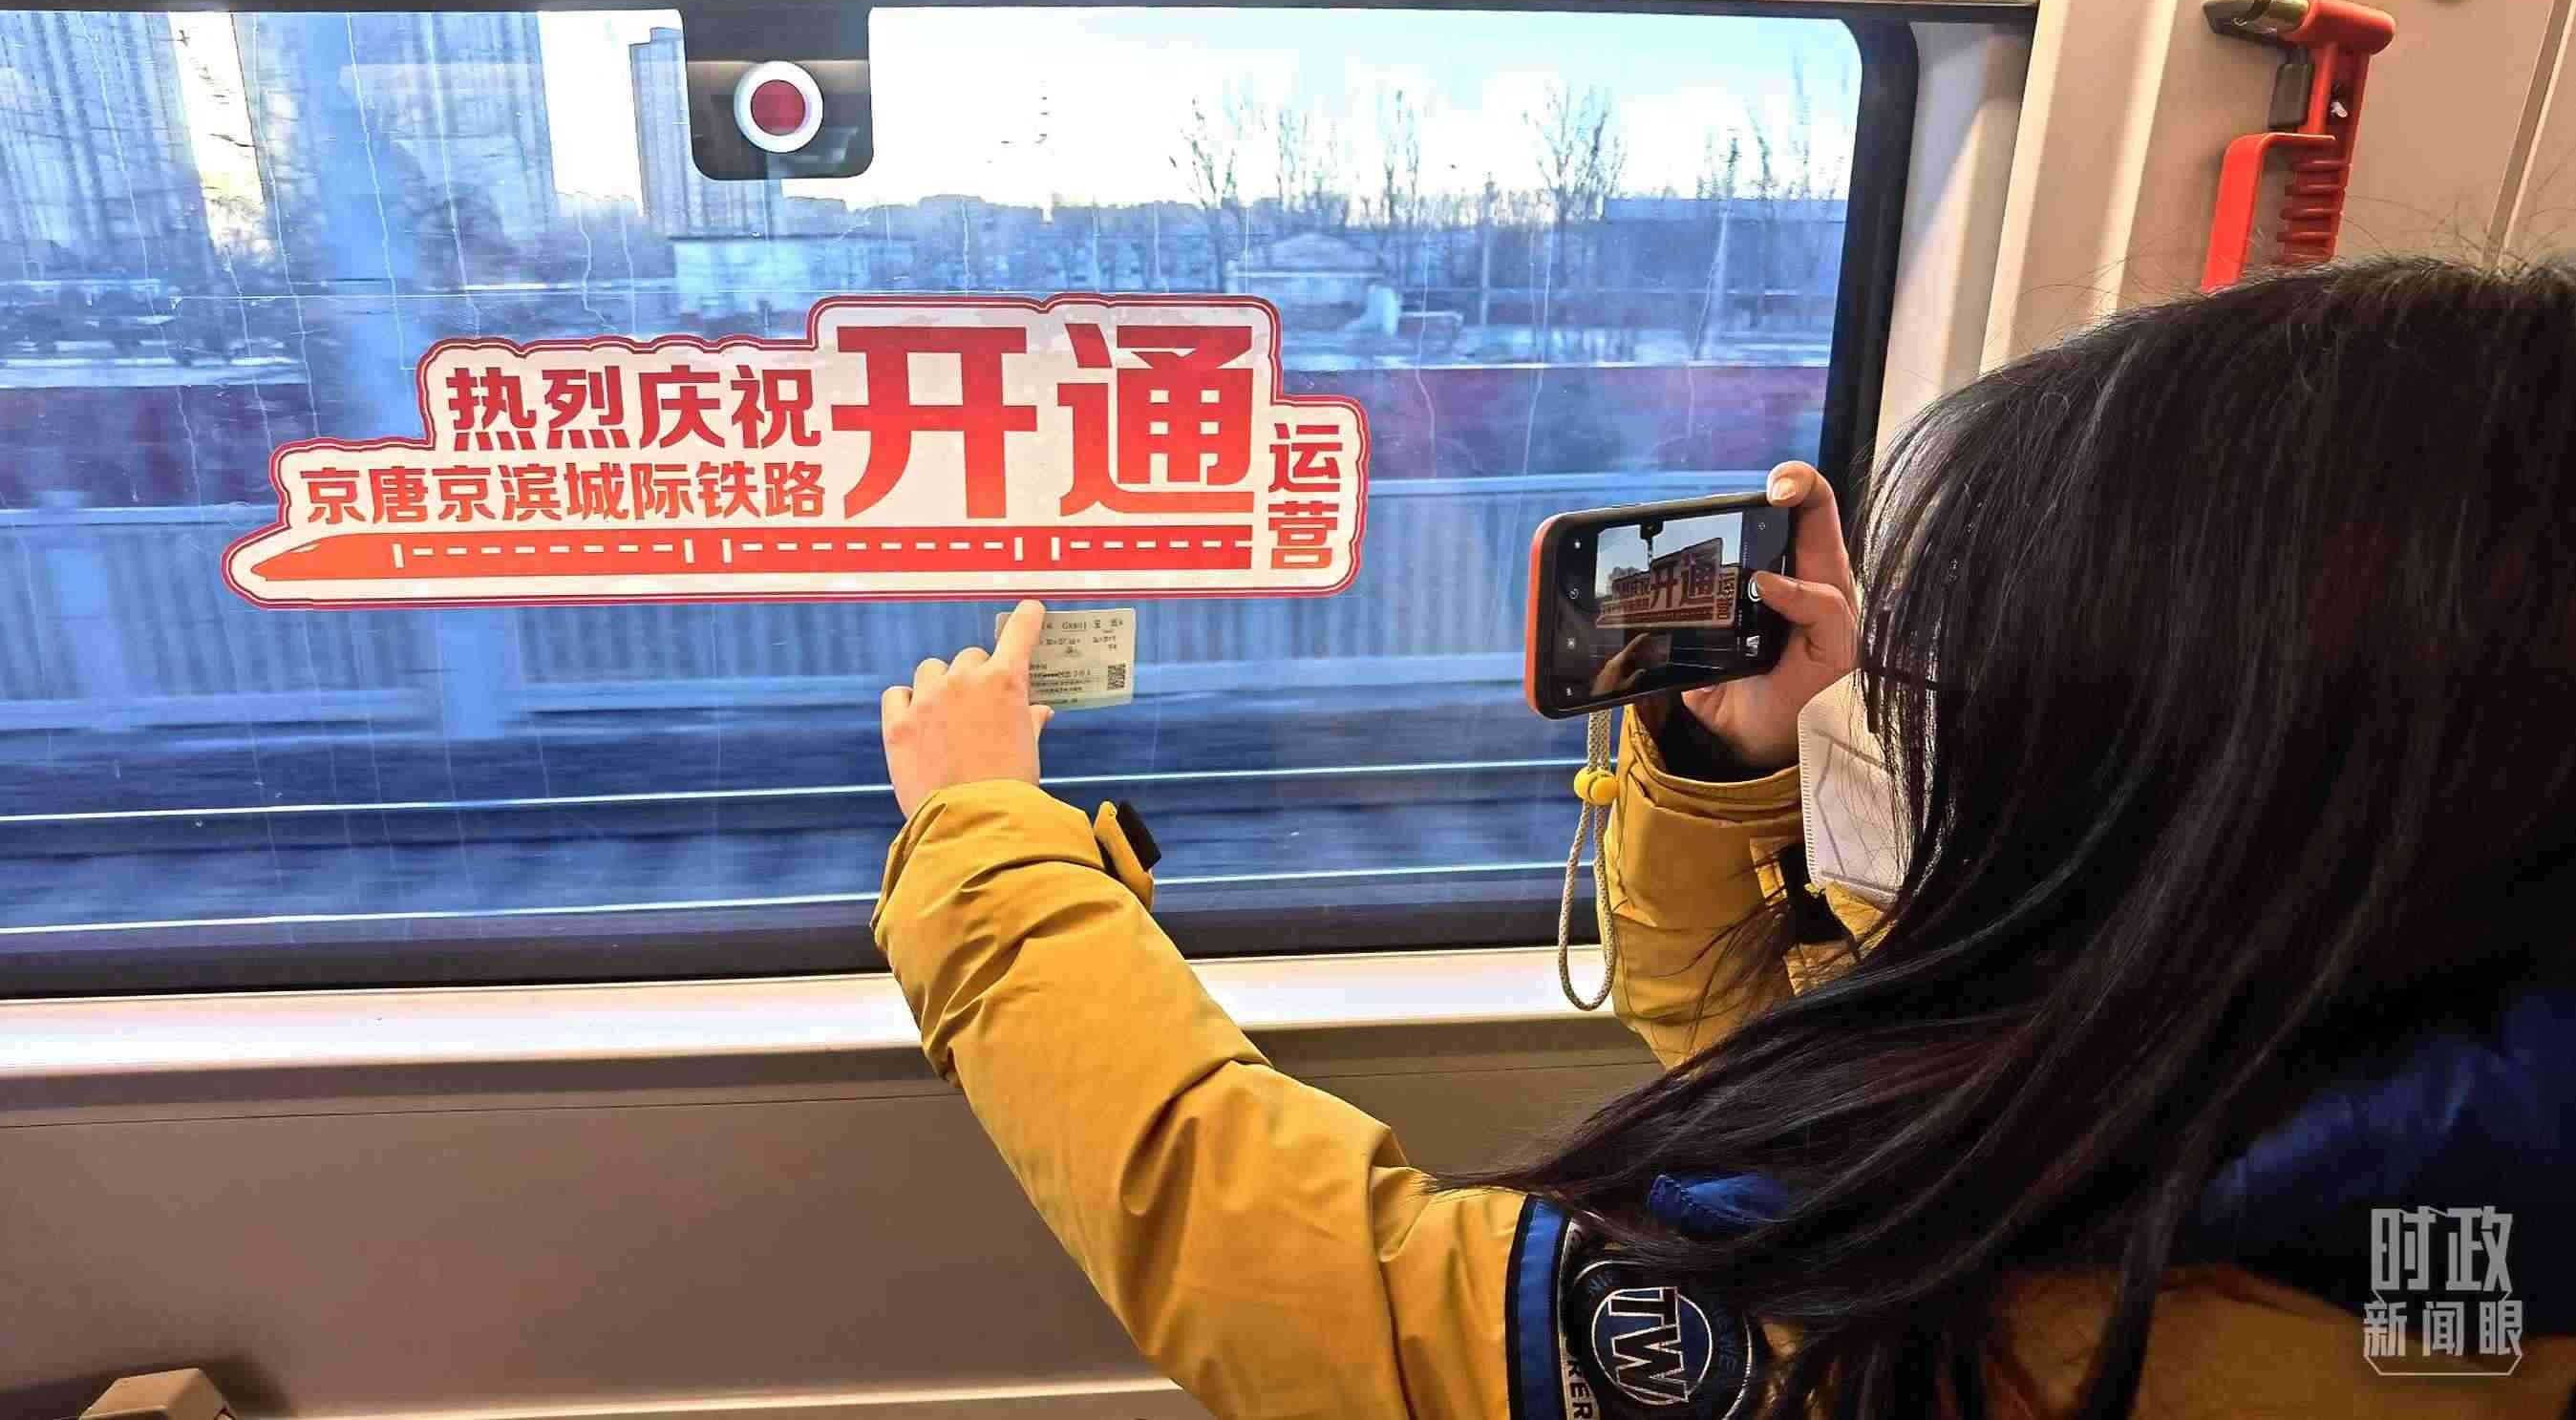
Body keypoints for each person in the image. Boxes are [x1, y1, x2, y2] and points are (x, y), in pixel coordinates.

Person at [870, 259, 2575, 1419]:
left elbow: (1309, 1281)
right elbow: (1814, 1072)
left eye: (1980, 669)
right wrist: (1736, 765)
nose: (1925, 695)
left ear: (2194, 775)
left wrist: (981, 841)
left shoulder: (1971, 1328)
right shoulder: (2415, 1186)